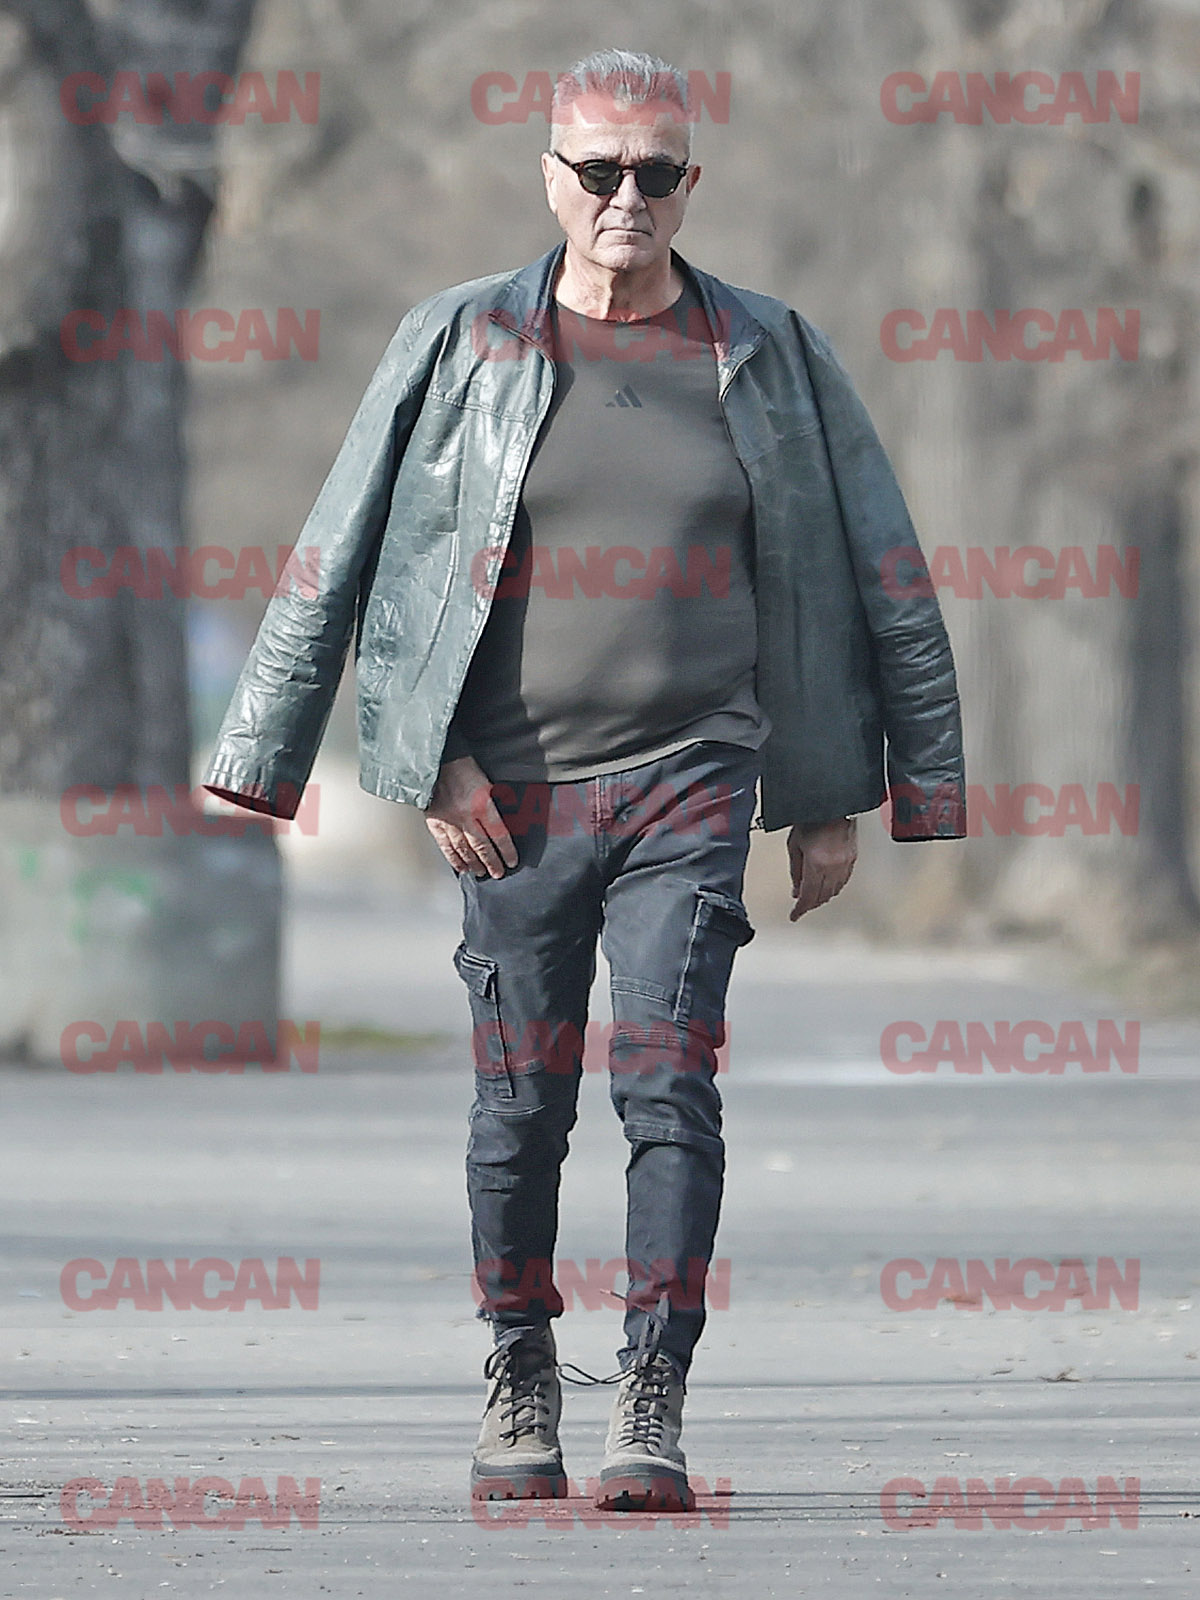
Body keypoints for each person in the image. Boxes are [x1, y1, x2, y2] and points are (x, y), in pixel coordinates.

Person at [203, 47, 967, 1514]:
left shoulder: (770, 352)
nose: (629, 197)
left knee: (670, 1078)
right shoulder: (458, 342)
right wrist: (412, 765)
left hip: (696, 773)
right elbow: (348, 549)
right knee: (520, 1105)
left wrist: (852, 793)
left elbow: (872, 568)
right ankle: (518, 1369)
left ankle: (654, 1396)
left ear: (692, 181)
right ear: (550, 175)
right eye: (600, 170)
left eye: (657, 172)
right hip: (508, 795)